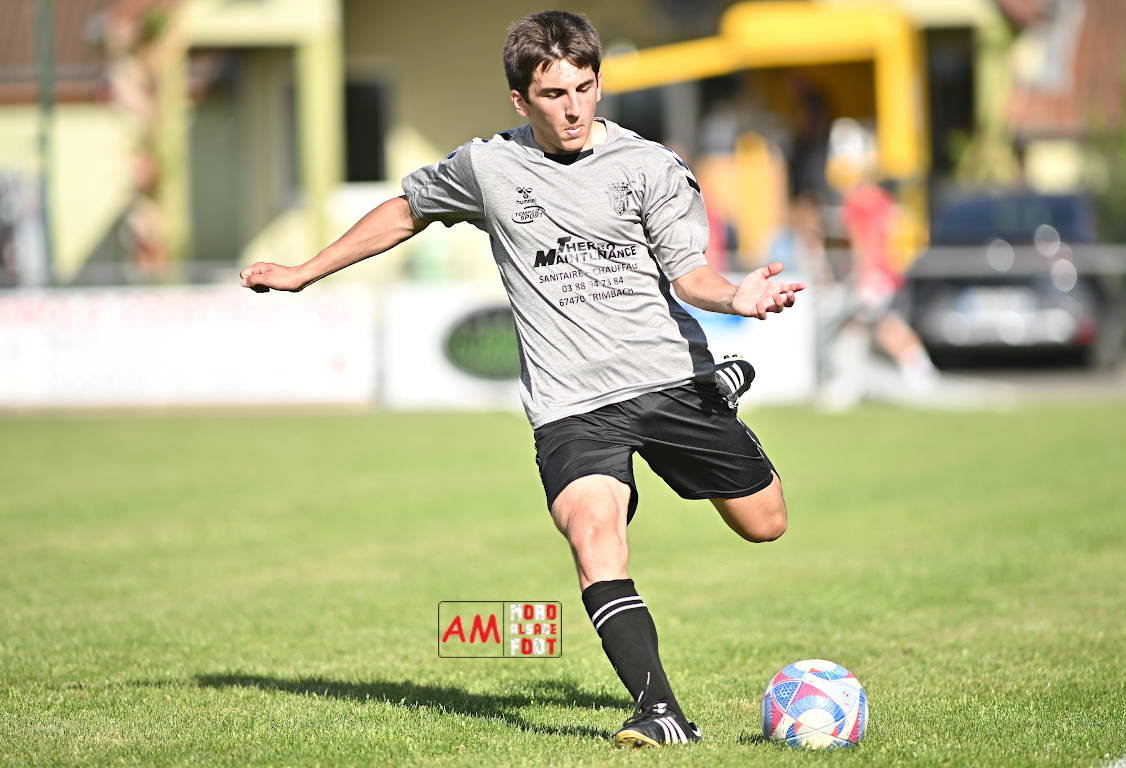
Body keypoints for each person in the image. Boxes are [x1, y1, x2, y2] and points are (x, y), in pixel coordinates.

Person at [240, 10, 805, 749]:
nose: (573, 108)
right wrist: (303, 271)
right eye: (552, 94)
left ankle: (718, 391)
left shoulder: (648, 166)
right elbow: (406, 211)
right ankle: (660, 713)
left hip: (667, 378)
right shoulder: (489, 167)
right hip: (572, 404)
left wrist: (736, 297)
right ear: (519, 99)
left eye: (584, 88)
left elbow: (688, 273)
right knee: (593, 537)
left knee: (766, 522)